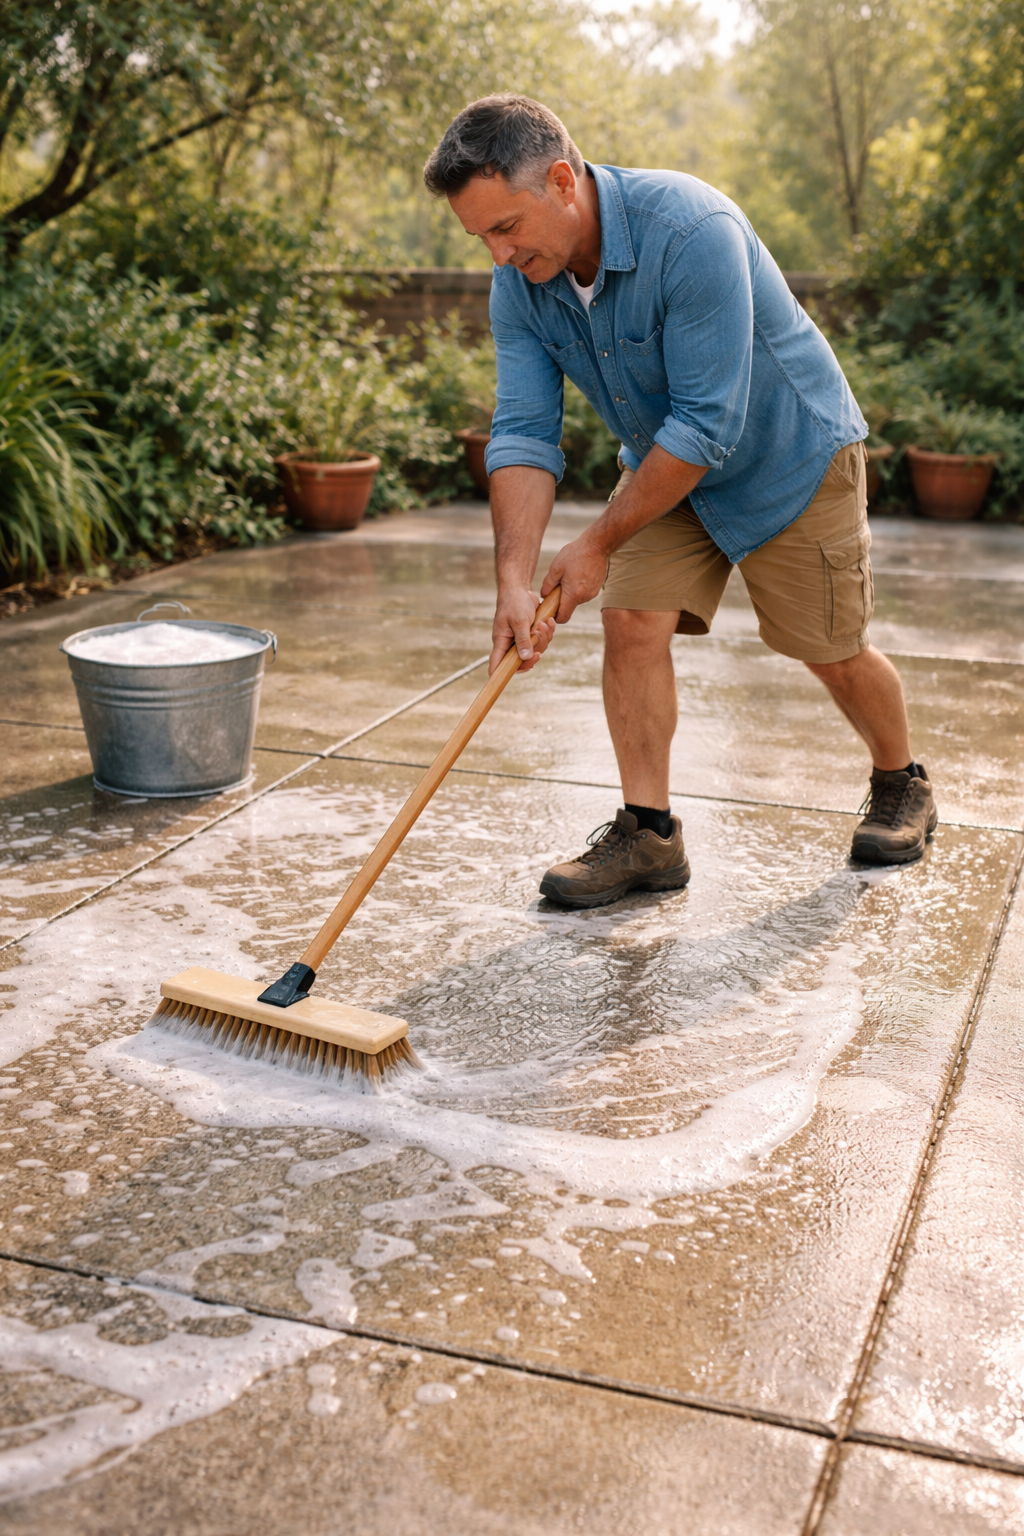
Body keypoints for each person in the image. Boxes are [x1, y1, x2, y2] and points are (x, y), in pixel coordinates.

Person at [423, 95, 937, 910]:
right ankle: (650, 835)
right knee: (631, 621)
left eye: (506, 227)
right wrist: (513, 580)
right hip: (668, 466)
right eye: (481, 235)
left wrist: (592, 543)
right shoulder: (520, 281)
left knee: (828, 647)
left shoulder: (694, 231)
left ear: (562, 181)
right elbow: (523, 429)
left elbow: (709, 424)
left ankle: (900, 780)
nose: (497, 253)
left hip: (790, 456)